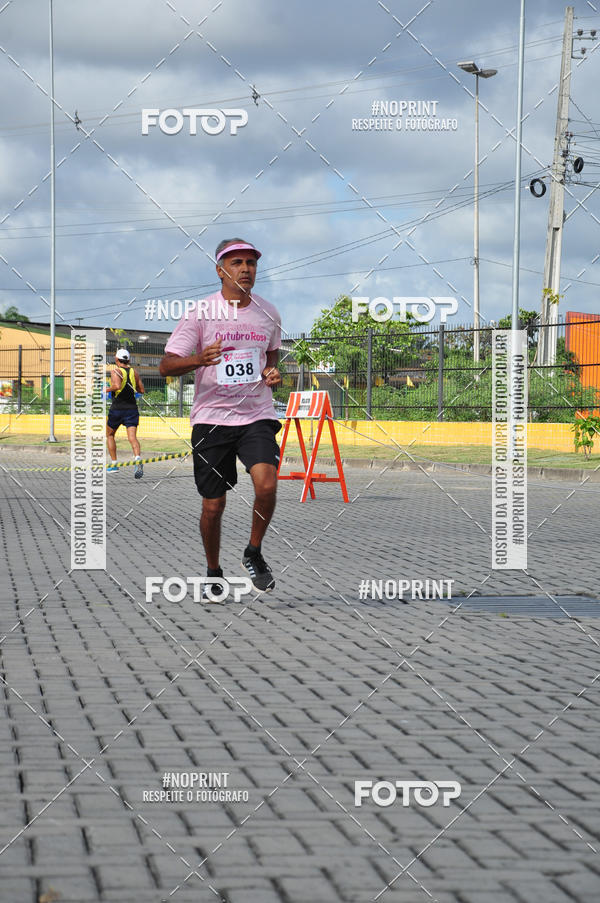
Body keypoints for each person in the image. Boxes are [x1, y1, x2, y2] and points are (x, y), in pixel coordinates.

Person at [159, 238, 282, 601]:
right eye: (237, 262)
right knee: (214, 506)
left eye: (251, 263)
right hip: (212, 418)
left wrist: (273, 372)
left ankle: (253, 551)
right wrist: (199, 359)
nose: (246, 268)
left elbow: (271, 355)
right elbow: (166, 365)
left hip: (256, 414)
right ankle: (213, 569)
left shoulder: (269, 313)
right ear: (220, 270)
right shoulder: (200, 313)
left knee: (268, 484)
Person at [106, 348, 145, 478]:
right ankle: (138, 459)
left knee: (110, 435)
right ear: (128, 360)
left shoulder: (115, 371)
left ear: (117, 359)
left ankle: (114, 464)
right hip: (132, 409)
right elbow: (142, 390)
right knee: (132, 438)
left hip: (117, 409)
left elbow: (116, 386)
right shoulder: (135, 372)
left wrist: (106, 389)